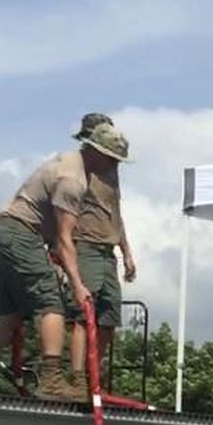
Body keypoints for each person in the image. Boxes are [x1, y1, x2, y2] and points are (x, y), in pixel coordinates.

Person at [0, 122, 127, 401]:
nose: (115, 165)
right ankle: (52, 379)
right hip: (21, 233)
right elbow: (65, 239)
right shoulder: (73, 181)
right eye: (113, 158)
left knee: (12, 313)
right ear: (97, 152)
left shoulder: (68, 164)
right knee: (52, 304)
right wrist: (77, 284)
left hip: (2, 232)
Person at [65, 113, 136, 398]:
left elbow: (116, 213)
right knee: (84, 315)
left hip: (108, 250)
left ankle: (95, 375)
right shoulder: (76, 167)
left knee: (109, 317)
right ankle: (78, 379)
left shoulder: (110, 170)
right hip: (84, 244)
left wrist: (126, 251)